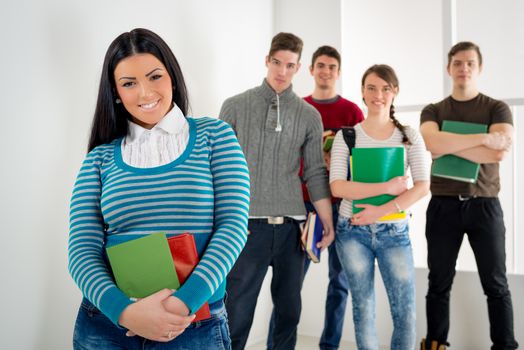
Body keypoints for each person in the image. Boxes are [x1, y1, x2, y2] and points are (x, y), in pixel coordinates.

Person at [68, 28, 250, 349]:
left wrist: (180, 306)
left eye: (154, 77)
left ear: (173, 78)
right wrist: (124, 312)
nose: (145, 92)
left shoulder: (215, 136)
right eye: (129, 83)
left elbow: (233, 227)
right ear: (115, 92)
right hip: (108, 326)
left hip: (192, 323)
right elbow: (81, 251)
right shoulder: (99, 159)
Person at [219, 32, 334, 350]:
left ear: (299, 68)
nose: (282, 71)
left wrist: (327, 222)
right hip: (245, 228)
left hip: (292, 230)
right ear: (267, 61)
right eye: (277, 62)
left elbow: (313, 172)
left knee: (288, 313)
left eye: (290, 65)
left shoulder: (309, 115)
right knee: (236, 314)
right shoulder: (234, 107)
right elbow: (217, 168)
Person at [419, 41, 518, 350]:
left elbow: (499, 153)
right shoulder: (433, 109)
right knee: (438, 284)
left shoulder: (496, 107)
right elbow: (433, 146)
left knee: (496, 285)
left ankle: (504, 345)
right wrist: (484, 139)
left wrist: (452, 142)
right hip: (443, 205)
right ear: (449, 68)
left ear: (479, 68)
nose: (464, 68)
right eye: (458, 63)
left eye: (470, 63)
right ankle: (436, 343)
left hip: (485, 205)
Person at [267, 45, 364, 350]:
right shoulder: (298, 107)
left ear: (338, 72)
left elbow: (360, 160)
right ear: (310, 70)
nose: (326, 71)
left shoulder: (352, 112)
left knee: (340, 283)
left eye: (332, 67)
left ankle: (330, 345)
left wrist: (335, 160)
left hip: (341, 206)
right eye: (320, 65)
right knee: (289, 286)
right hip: (303, 205)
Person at [330, 64, 431, 350]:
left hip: (394, 232)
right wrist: (386, 188)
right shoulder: (346, 136)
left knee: (405, 312)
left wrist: (379, 211)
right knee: (363, 309)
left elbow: (422, 186)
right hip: (352, 231)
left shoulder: (409, 135)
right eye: (372, 87)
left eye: (386, 88)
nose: (378, 94)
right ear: (362, 91)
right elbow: (338, 187)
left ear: (395, 92)